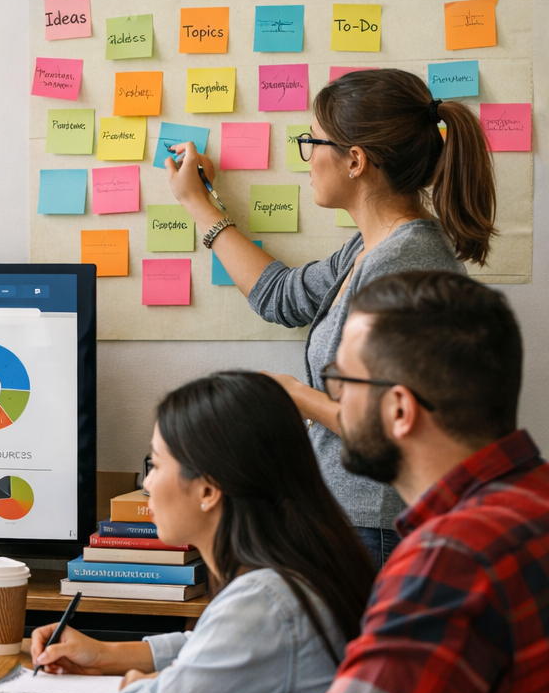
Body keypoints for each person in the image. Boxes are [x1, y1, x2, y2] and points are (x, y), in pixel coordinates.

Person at [141, 271, 549, 693]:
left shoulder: (453, 562)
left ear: (398, 410)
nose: (327, 401)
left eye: (342, 382)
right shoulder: (529, 509)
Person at [163, 68, 496, 566]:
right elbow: (279, 295)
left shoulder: (406, 264)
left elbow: (387, 425)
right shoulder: (369, 249)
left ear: (356, 160)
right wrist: (199, 202)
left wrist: (294, 396)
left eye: (311, 141)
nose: (308, 156)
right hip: (351, 517)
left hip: (379, 526)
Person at [32, 372, 373, 693]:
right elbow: (216, 646)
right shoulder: (298, 569)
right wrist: (111, 655)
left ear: (208, 490)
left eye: (156, 466)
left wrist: (132, 684)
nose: (146, 485)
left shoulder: (263, 603)